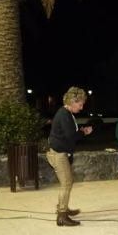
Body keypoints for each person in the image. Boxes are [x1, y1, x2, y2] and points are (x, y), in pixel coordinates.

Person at [46, 87, 93, 226]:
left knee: (67, 182)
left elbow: (69, 133)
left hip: (61, 153)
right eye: (80, 104)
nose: (82, 106)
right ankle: (62, 216)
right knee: (66, 183)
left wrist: (81, 130)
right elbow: (71, 136)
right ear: (73, 101)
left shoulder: (66, 113)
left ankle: (64, 208)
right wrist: (84, 132)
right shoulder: (64, 115)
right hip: (58, 154)